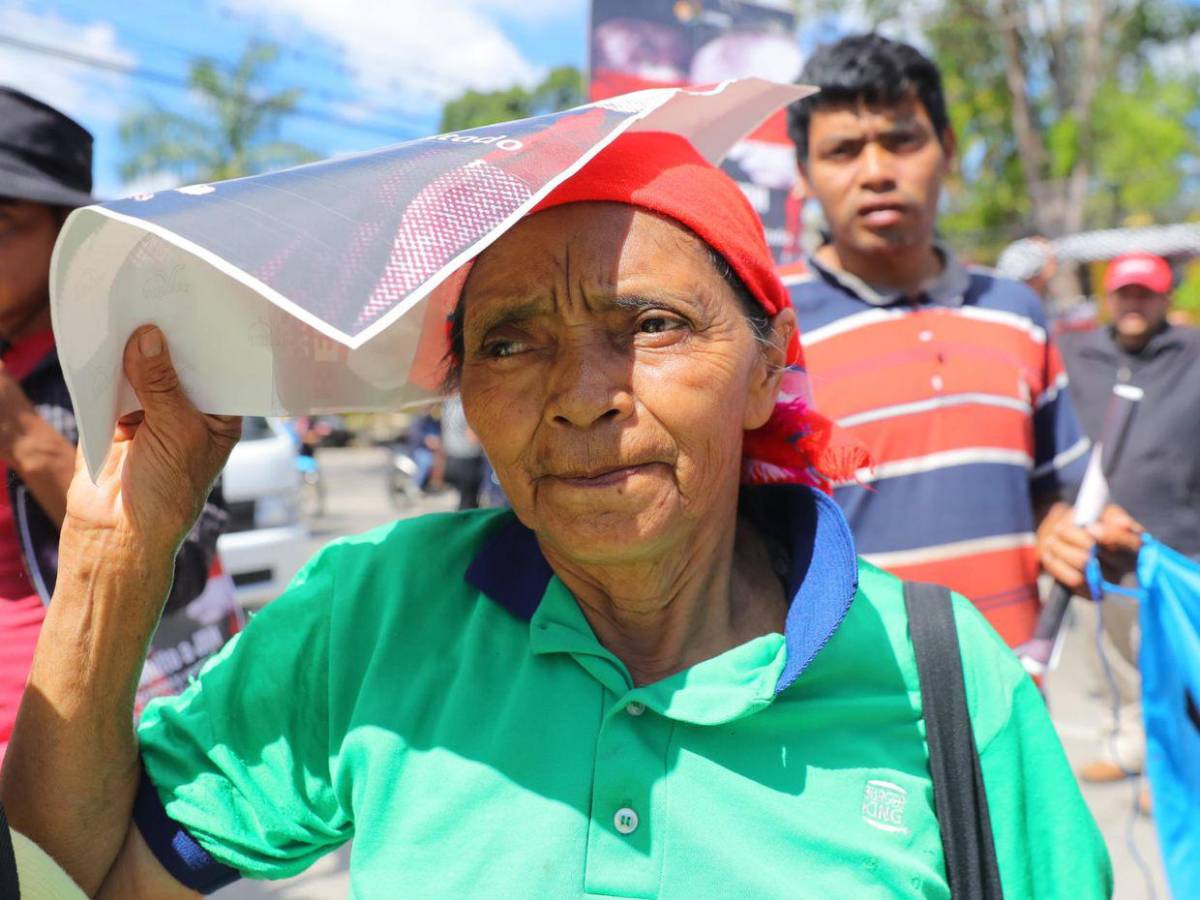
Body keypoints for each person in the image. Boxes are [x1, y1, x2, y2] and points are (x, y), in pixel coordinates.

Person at [0, 131, 1110, 897]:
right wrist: (115, 547)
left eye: (653, 323)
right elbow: (68, 878)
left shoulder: (940, 676)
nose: (582, 395)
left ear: (769, 365)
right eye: (511, 341)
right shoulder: (385, 613)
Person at [781, 35, 1135, 649]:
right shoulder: (767, 327)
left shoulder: (1016, 313)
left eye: (901, 140)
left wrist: (1071, 532)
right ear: (803, 176)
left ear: (947, 149)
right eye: (843, 150)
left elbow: (1056, 492)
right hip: (848, 718)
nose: (876, 172)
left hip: (1015, 697)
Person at [0, 87, 228, 760]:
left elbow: (182, 565)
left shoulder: (142, 364)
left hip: (83, 736)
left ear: (66, 235)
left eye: (1, 218)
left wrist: (25, 437)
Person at [1059, 252, 1200, 785]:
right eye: (1125, 293)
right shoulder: (1079, 354)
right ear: (1109, 298)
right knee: (1114, 659)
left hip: (1181, 540)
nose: (1134, 304)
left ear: (1165, 298)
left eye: (1146, 293)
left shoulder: (1191, 352)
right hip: (1102, 541)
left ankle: (1177, 774)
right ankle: (1127, 750)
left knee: (1177, 663)